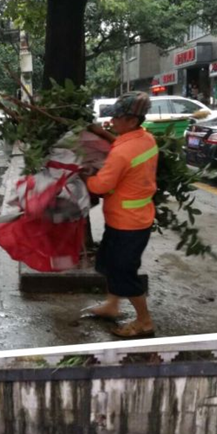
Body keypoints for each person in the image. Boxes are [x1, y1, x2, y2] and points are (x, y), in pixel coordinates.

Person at [82, 91, 158, 339]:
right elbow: (120, 143)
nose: (112, 121)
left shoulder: (123, 152)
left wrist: (83, 176)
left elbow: (100, 186)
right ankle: (112, 305)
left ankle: (144, 323)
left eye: (117, 118)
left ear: (132, 121)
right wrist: (101, 132)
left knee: (123, 271)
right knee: (109, 263)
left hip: (128, 223)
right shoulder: (145, 139)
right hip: (130, 219)